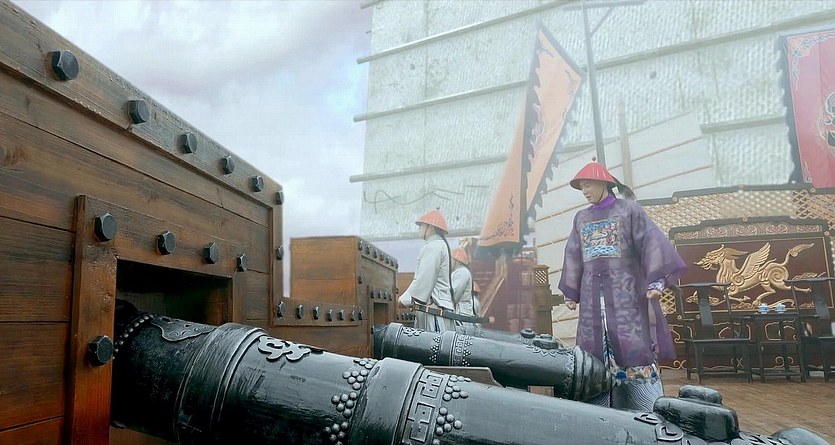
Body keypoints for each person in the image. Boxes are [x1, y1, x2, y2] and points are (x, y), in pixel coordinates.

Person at [558, 160, 686, 412]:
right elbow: (573, 253)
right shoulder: (581, 218)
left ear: (604, 184)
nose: (584, 191)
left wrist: (656, 280)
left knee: (633, 347)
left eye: (588, 185)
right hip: (592, 300)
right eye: (581, 187)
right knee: (593, 354)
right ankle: (599, 411)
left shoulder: (629, 211)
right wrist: (571, 291)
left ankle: (645, 408)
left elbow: (650, 242)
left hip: (627, 296)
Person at [398, 209, 456, 332]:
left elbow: (425, 278)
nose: (419, 229)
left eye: (421, 226)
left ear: (431, 228)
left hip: (434, 309)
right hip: (436, 307)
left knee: (433, 342)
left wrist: (406, 299)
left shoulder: (434, 247)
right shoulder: (438, 245)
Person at [450, 247, 476, 326]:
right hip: (460, 314)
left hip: (461, 315)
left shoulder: (462, 272)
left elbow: (454, 295)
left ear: (456, 260)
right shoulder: (459, 272)